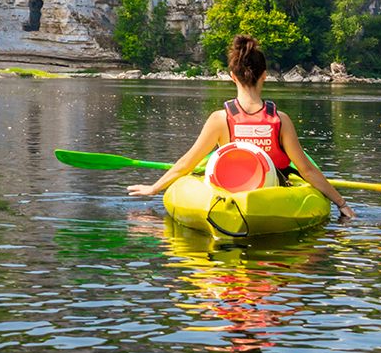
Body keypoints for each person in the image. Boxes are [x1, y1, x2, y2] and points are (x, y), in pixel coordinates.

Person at [127, 34, 356, 221]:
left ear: (232, 77)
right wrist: (342, 204)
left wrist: (154, 188)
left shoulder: (220, 119)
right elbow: (307, 170)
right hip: (270, 197)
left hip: (230, 198)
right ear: (264, 76)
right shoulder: (280, 120)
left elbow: (187, 163)